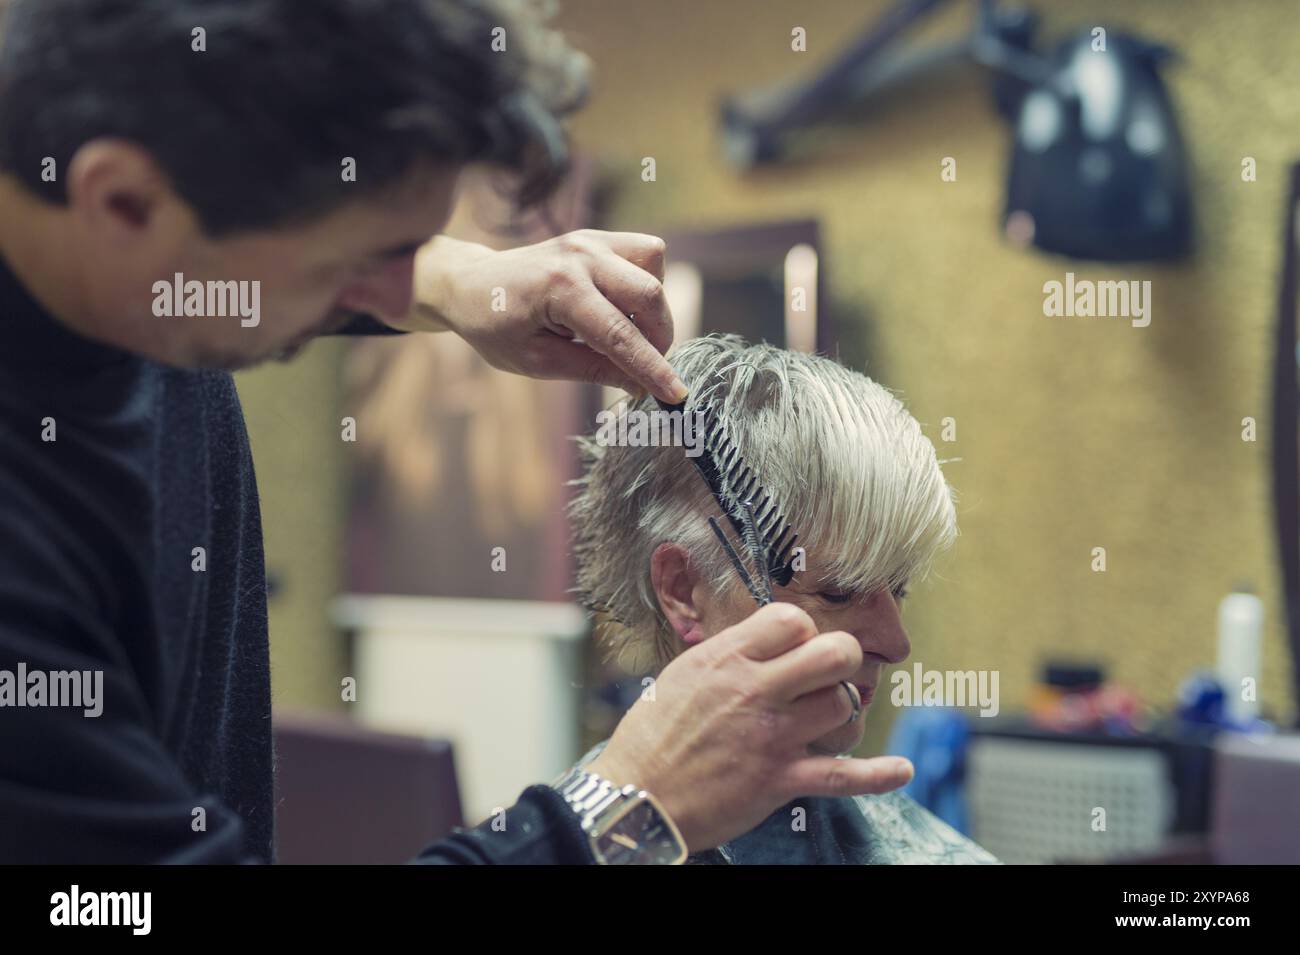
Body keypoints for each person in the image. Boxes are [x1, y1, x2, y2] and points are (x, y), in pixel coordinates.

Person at [0, 0, 914, 864]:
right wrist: (623, 809)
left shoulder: (124, 253)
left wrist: (462, 279)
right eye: (361, 261)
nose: (397, 296)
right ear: (123, 206)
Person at [568, 335, 1000, 863]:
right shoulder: (559, 846)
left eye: (900, 589)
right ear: (684, 590)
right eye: (838, 592)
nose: (896, 644)